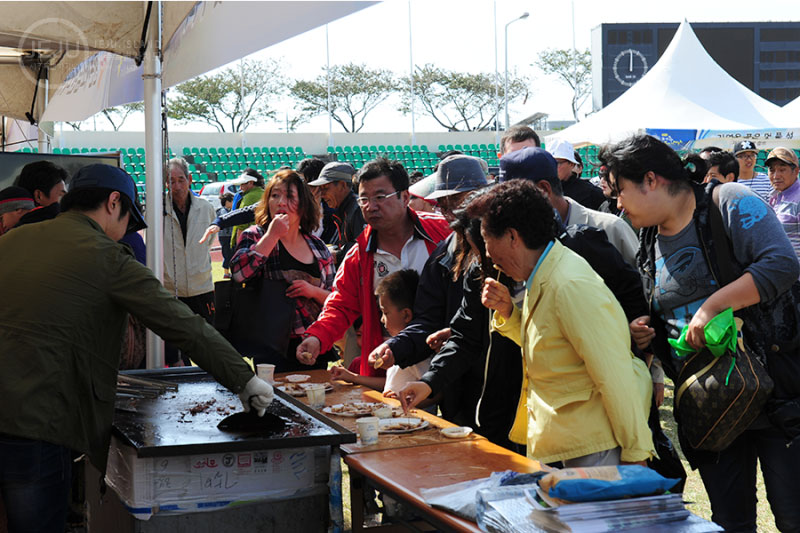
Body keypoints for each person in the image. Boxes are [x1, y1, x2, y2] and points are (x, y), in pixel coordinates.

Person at [0, 164, 273, 532]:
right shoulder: (106, 255)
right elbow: (179, 321)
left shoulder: (12, 240)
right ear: (114, 202)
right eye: (127, 219)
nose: (123, 232)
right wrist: (244, 379)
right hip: (35, 422)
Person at [600, 133, 800, 532]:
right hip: (712, 409)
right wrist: (647, 333)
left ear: (651, 180)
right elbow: (664, 311)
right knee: (729, 521)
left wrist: (713, 306)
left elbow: (781, 264)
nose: (617, 203)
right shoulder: (647, 237)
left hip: (776, 395)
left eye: (621, 190)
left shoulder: (727, 201)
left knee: (794, 516)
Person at [469, 179, 654, 466]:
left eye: (486, 240)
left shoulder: (567, 283)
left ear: (512, 237)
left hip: (598, 447)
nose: (489, 255)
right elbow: (553, 348)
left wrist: (635, 452)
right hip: (577, 442)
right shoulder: (544, 272)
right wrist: (509, 313)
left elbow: (614, 374)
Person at [295, 158, 451, 377]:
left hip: (447, 358)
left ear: (405, 197)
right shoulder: (359, 255)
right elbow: (340, 304)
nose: (371, 206)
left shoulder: (442, 234)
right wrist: (317, 337)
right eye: (364, 199)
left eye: (380, 197)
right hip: (388, 363)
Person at [367, 155, 488, 428]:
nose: (448, 213)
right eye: (442, 205)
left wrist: (461, 332)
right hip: (457, 379)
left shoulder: (505, 243)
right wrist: (396, 346)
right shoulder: (445, 252)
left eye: (456, 202)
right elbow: (428, 318)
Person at [231, 169, 337, 372]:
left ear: (303, 206)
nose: (280, 202)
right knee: (273, 400)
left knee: (315, 399)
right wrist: (271, 237)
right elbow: (239, 273)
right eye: (275, 195)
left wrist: (312, 291)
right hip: (270, 345)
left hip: (313, 342)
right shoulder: (254, 236)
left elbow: (335, 299)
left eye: (289, 196)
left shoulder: (318, 246)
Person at [501, 146, 639, 266]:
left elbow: (644, 290)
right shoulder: (517, 240)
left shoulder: (611, 229)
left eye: (516, 199)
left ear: (543, 190)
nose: (511, 208)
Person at [330, 269, 428, 397]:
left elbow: (433, 391)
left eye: (385, 313)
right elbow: (390, 382)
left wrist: (405, 398)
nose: (382, 319)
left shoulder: (417, 351)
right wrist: (353, 377)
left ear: (406, 314)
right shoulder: (396, 347)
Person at [163, 157, 217, 366]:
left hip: (201, 288)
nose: (176, 186)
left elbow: (209, 242)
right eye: (171, 181)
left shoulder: (205, 208)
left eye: (181, 180)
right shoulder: (157, 210)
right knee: (177, 353)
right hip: (171, 291)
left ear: (190, 179)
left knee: (206, 346)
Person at [308, 161, 366, 264]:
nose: (322, 194)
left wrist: (338, 255)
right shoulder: (343, 210)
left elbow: (364, 249)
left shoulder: (357, 210)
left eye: (325, 188)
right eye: (320, 189)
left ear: (342, 185)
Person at [546, 138, 605, 211]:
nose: (552, 166)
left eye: (557, 163)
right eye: (548, 162)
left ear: (571, 164)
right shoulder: (542, 189)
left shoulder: (590, 193)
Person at [766, 147, 800, 263]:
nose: (776, 176)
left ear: (795, 171)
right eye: (772, 170)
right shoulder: (773, 197)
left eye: (782, 169)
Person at [14, 160, 68, 226]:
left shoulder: (11, 232)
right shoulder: (64, 229)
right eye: (61, 196)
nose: (67, 202)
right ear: (38, 196)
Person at [229, 168, 265, 247]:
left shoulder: (249, 197)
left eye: (242, 184)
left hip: (248, 241)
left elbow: (242, 223)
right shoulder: (264, 193)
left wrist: (239, 246)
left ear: (250, 183)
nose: (240, 188)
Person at [217, 192, 235, 278]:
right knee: (227, 254)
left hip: (228, 235)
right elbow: (226, 219)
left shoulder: (229, 210)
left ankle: (230, 272)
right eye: (232, 201)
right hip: (225, 236)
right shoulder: (222, 211)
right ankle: (226, 273)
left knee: (231, 254)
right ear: (227, 202)